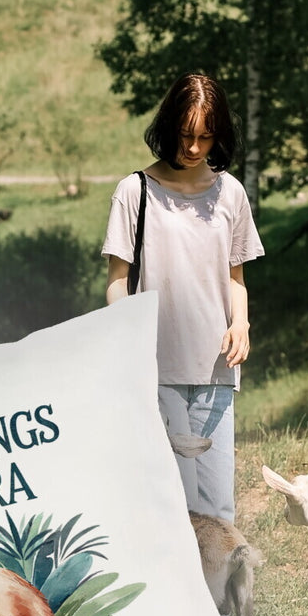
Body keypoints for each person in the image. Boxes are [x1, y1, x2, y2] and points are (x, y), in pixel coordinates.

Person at [102, 73, 263, 522]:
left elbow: (236, 278)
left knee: (218, 511)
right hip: (157, 372)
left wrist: (241, 325)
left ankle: (220, 596)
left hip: (217, 370)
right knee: (175, 507)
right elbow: (117, 282)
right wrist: (133, 334)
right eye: (186, 135)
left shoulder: (230, 192)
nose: (193, 148)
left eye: (205, 138)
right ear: (168, 126)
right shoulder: (134, 192)